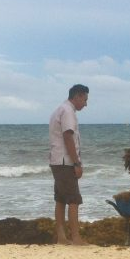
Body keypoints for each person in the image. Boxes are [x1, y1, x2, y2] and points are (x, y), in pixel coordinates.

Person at [48, 84, 90, 245]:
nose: (85, 104)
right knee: (73, 199)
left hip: (56, 160)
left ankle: (61, 237)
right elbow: (68, 137)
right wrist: (77, 163)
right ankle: (76, 237)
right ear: (77, 96)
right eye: (84, 99)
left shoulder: (59, 109)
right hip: (65, 162)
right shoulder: (68, 111)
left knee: (60, 199)